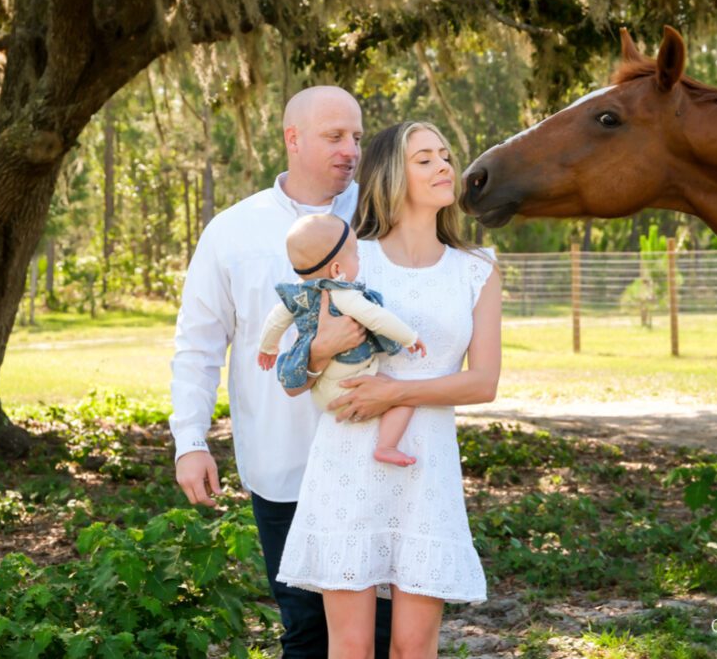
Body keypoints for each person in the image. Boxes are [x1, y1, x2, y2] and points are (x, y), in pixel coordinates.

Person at [169, 86, 393, 658]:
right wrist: (190, 440)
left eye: (358, 138)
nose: (351, 150)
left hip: (377, 463)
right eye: (334, 136)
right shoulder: (232, 230)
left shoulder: (383, 222)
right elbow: (198, 343)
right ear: (293, 138)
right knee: (305, 631)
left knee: (384, 633)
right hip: (283, 465)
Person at [275, 121, 502, 659]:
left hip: (426, 468)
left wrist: (394, 393)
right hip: (348, 461)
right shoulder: (351, 259)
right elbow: (295, 372)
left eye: (445, 156)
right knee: (349, 647)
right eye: (424, 159)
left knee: (411, 649)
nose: (445, 166)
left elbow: (483, 382)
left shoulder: (477, 269)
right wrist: (319, 349)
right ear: (390, 174)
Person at [257, 213, 426, 466]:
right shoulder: (341, 294)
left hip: (320, 390)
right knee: (402, 397)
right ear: (337, 269)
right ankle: (386, 446)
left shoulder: (298, 295)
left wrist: (267, 347)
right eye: (356, 255)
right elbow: (376, 317)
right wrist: (409, 337)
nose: (359, 260)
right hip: (348, 387)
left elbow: (275, 320)